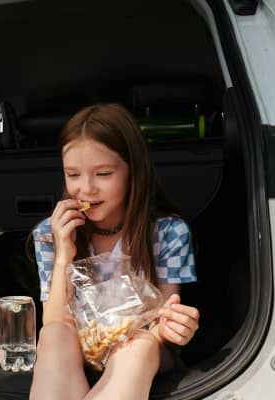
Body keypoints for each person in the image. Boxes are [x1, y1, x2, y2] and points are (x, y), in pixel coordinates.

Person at [29, 104, 200, 400]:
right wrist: (63, 253)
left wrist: (174, 327)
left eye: (103, 173)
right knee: (53, 336)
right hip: (79, 349)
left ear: (132, 170)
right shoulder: (50, 231)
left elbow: (160, 323)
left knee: (137, 346)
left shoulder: (168, 232)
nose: (86, 189)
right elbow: (57, 323)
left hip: (146, 347)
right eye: (73, 175)